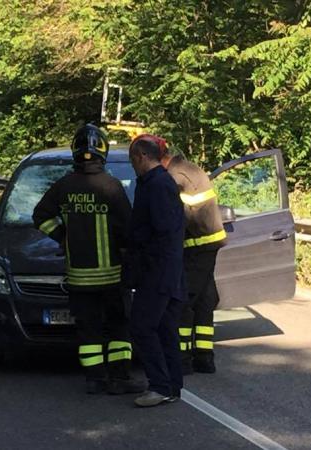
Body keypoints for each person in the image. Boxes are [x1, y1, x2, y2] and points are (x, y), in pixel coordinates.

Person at [33, 124, 144, 395]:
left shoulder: (64, 186)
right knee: (118, 327)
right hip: (111, 276)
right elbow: (128, 228)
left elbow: (41, 216)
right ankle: (119, 378)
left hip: (79, 276)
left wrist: (63, 238)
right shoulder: (111, 186)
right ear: (102, 152)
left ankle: (94, 379)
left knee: (89, 331)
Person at [154, 139, 226, 375]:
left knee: (183, 301)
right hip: (207, 245)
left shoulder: (175, 177)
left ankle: (182, 358)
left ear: (162, 158)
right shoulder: (190, 169)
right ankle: (204, 357)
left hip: (195, 248)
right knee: (205, 300)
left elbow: (174, 218)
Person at [127, 136, 186, 407]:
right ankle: (172, 386)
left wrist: (137, 248)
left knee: (142, 326)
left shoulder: (157, 185)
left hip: (158, 271)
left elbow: (160, 230)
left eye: (132, 160)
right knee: (164, 329)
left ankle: (160, 385)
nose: (133, 166)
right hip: (167, 269)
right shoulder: (157, 183)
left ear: (141, 156)